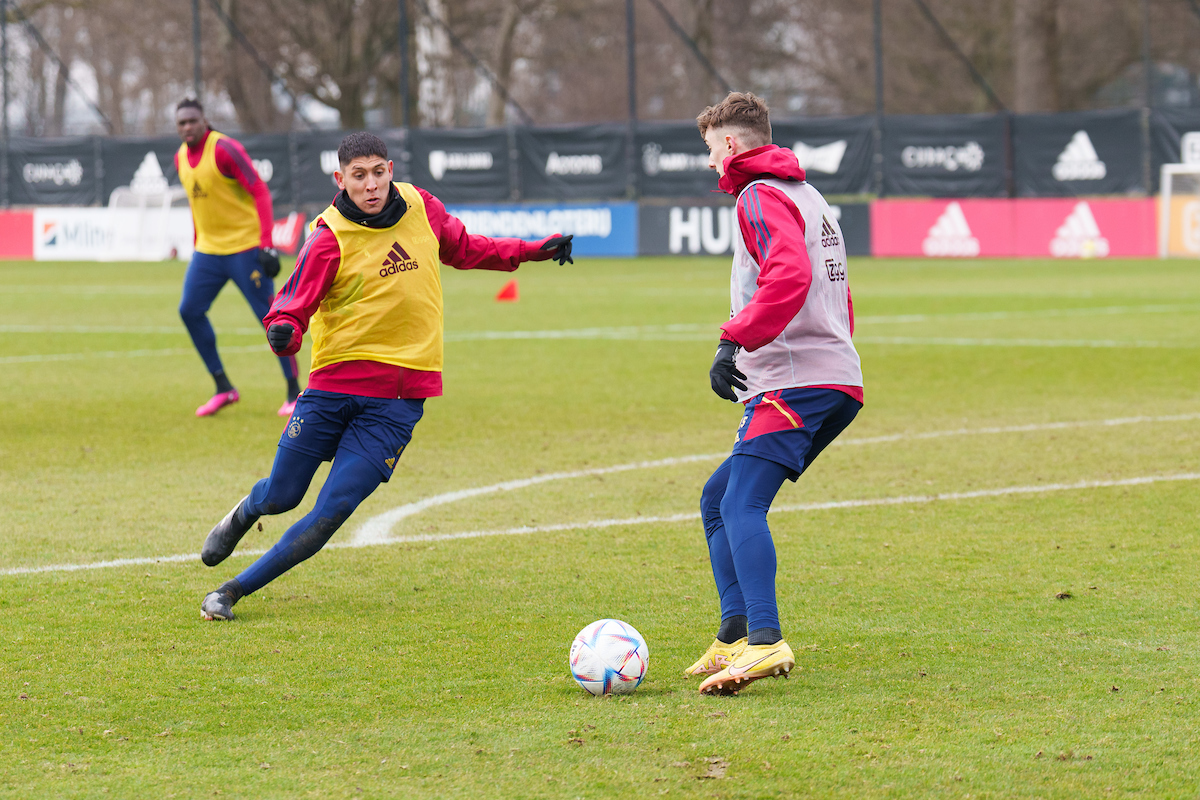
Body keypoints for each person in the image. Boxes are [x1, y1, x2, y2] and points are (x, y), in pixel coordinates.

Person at [198, 131, 574, 621]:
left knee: (330, 513)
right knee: (282, 495)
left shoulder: (422, 207)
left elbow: (466, 248)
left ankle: (230, 592)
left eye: (378, 172)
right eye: (359, 176)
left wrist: (532, 251)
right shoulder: (328, 237)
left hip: (397, 403)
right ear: (341, 179)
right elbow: (290, 307)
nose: (371, 184)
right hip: (332, 390)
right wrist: (284, 331)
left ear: (391, 170)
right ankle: (246, 512)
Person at [684, 92, 864, 695]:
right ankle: (735, 631)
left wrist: (733, 340)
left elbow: (791, 276)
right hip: (830, 376)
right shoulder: (809, 196)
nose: (711, 164)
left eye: (711, 152)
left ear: (731, 145)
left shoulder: (759, 194)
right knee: (717, 499)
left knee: (741, 506)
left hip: (794, 379)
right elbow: (836, 294)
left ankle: (765, 640)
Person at [174, 98, 302, 418]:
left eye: (192, 120)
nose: (187, 127)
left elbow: (259, 190)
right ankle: (223, 387)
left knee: (271, 318)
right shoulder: (180, 158)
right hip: (208, 252)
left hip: (245, 249)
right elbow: (197, 206)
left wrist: (266, 244)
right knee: (189, 311)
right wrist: (196, 242)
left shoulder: (224, 150)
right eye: (182, 123)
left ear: (204, 120)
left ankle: (294, 392)